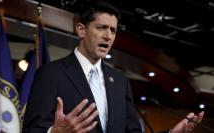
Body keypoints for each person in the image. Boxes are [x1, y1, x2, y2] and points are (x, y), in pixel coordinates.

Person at [22, 1, 204, 133]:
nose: (108, 36)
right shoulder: (51, 74)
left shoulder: (119, 81)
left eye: (113, 30)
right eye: (101, 27)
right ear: (81, 30)